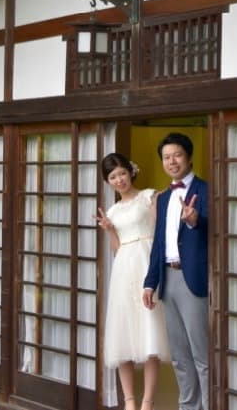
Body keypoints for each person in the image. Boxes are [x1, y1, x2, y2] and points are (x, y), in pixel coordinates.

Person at [97, 152, 170, 410]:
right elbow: (118, 248)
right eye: (112, 177)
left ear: (131, 171)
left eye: (122, 173)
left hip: (147, 265)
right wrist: (109, 230)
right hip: (123, 271)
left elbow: (160, 234)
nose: (119, 180)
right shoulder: (113, 210)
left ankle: (147, 402)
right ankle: (129, 400)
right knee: (123, 334)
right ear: (108, 182)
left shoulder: (149, 196)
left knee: (150, 333)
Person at [142, 133, 209, 410]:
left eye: (177, 155)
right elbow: (159, 242)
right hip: (167, 279)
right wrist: (150, 282)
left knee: (201, 353)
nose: (172, 161)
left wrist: (195, 221)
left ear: (189, 157)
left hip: (194, 279)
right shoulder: (163, 197)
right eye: (166, 157)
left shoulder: (206, 190)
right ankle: (188, 406)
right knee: (180, 354)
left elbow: (218, 233)